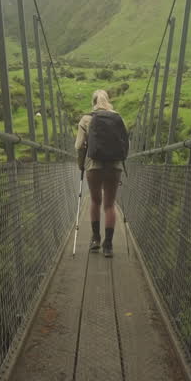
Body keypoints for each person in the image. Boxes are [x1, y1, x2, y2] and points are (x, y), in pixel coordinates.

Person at [76, 89, 126, 257]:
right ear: (108, 100)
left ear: (93, 101)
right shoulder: (118, 118)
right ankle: (108, 246)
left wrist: (81, 165)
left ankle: (96, 239)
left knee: (95, 201)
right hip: (114, 165)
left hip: (93, 165)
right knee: (109, 205)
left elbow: (78, 146)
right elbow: (125, 142)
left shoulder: (86, 119)